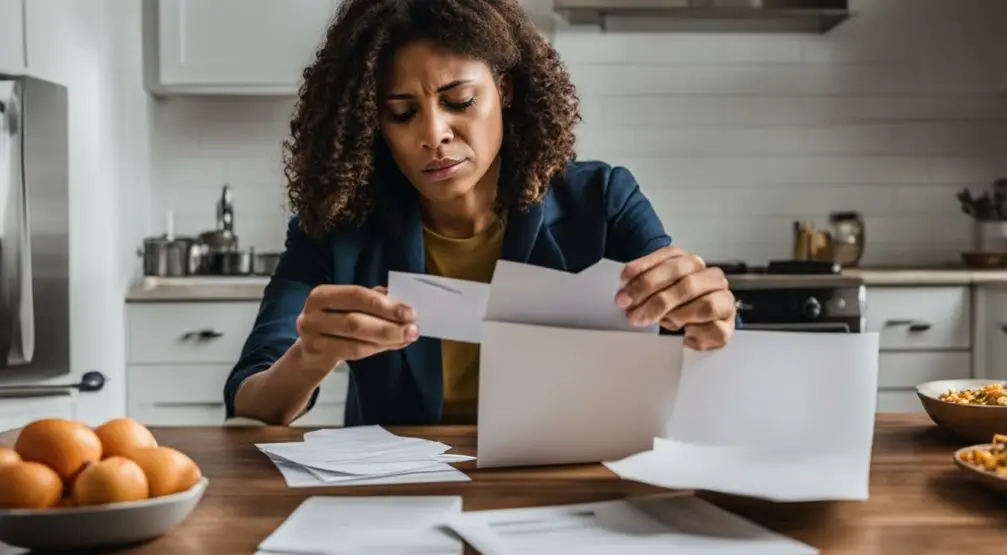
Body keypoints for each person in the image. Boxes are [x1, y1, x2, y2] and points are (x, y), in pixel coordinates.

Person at [224, 0, 738, 428]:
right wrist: (310, 357)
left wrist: (707, 323)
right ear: (371, 122)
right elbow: (249, 401)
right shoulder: (338, 223)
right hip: (396, 496)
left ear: (505, 91)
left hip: (563, 483)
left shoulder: (602, 199)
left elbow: (688, 352)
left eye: (460, 101)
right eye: (401, 112)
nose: (433, 134)